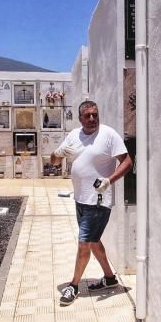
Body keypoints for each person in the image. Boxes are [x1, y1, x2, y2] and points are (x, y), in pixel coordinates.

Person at [51, 100, 132, 306]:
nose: (92, 118)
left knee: (84, 243)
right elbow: (53, 160)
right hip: (80, 198)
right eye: (87, 115)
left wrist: (108, 181)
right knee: (93, 241)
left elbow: (128, 162)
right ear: (80, 118)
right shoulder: (73, 135)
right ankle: (110, 279)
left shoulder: (108, 134)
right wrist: (58, 154)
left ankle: (74, 286)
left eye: (95, 114)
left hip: (98, 200)